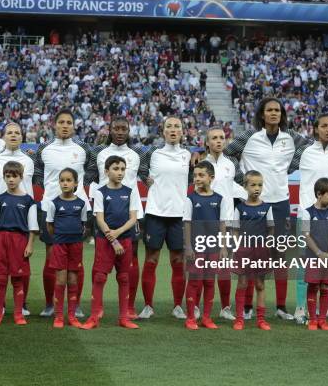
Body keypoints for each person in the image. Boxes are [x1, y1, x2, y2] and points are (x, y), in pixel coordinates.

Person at [223, 97, 312, 321]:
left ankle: (281, 307)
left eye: (277, 110)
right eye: (269, 110)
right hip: (252, 204)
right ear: (262, 114)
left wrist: (290, 167)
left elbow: (310, 147)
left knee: (279, 255)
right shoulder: (249, 136)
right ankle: (248, 307)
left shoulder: (291, 137)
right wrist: (243, 178)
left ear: (282, 114)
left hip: (280, 202)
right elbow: (227, 153)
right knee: (251, 255)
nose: (274, 113)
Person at [34, 109, 96, 318]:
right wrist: (50, 192)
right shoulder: (45, 149)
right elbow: (37, 174)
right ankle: (50, 304)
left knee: (75, 259)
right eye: (61, 122)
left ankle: (75, 305)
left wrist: (80, 189)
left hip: (78, 210)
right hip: (51, 209)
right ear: (54, 124)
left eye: (69, 122)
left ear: (74, 126)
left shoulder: (83, 149)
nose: (65, 125)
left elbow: (91, 171)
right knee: (51, 258)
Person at [294, 113, 328, 324]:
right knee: (305, 260)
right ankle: (301, 307)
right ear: (315, 129)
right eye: (324, 126)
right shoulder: (304, 152)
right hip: (307, 213)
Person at [90, 116, 144, 319]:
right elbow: (92, 179)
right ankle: (98, 307)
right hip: (107, 212)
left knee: (131, 260)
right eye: (117, 128)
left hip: (130, 213)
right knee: (100, 264)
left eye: (124, 128)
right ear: (110, 130)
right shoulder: (100, 154)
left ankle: (129, 307)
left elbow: (144, 177)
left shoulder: (135, 155)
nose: (120, 132)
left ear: (129, 131)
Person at [137, 116, 191, 320]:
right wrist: (145, 178)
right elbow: (139, 167)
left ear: (182, 131)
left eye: (177, 126)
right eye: (169, 126)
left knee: (178, 261)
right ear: (163, 131)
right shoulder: (153, 153)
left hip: (179, 214)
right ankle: (148, 306)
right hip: (155, 213)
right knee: (151, 259)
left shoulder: (188, 155)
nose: (173, 129)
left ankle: (178, 306)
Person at [81, 156, 140, 330]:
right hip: (105, 241)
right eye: (116, 168)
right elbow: (99, 219)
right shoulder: (100, 192)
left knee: (123, 277)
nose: (120, 172)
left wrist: (118, 234)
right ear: (106, 171)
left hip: (125, 239)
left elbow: (133, 219)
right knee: (99, 277)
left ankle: (123, 318)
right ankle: (93, 317)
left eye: (122, 169)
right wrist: (113, 240)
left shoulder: (131, 191)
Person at [0, 122, 35, 316]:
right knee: (1, 267)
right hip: (0, 216)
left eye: (17, 133)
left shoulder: (29, 160)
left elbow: (30, 189)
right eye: (10, 133)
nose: (13, 135)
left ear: (22, 137)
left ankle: (21, 304)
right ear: (3, 137)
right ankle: (0, 306)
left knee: (21, 265)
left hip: (22, 216)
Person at [183, 161, 231, 330]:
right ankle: (190, 318)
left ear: (211, 178)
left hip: (214, 247)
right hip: (197, 248)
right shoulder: (190, 199)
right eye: (195, 175)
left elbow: (223, 224)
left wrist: (223, 247)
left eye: (201, 175)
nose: (197, 178)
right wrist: (188, 246)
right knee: (195, 281)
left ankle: (206, 318)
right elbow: (187, 224)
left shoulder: (220, 199)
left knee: (210, 281)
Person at [203, 126, 245, 321]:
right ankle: (199, 307)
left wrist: (251, 196)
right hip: (205, 223)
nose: (219, 141)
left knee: (225, 267)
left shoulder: (230, 165)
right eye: (214, 138)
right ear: (207, 142)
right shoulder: (201, 165)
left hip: (227, 223)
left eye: (222, 138)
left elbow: (233, 189)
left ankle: (225, 307)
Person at [231, 170, 274, 331]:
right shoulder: (240, 208)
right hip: (244, 251)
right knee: (242, 283)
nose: (257, 188)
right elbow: (235, 230)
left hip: (261, 251)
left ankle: (261, 319)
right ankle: (240, 319)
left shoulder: (267, 207)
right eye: (253, 185)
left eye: (260, 185)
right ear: (245, 187)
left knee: (260, 284)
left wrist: (267, 246)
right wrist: (237, 246)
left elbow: (271, 229)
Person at [46, 168, 88, 329]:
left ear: (76, 183)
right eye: (62, 180)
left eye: (69, 180)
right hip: (60, 245)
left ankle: (71, 316)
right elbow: (50, 226)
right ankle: (58, 316)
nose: (65, 183)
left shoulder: (81, 204)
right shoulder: (54, 203)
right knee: (61, 280)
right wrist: (59, 238)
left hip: (76, 245)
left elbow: (83, 225)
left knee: (73, 280)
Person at [300, 178, 328, 331]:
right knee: (313, 286)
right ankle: (312, 320)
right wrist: (318, 253)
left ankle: (322, 320)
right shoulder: (307, 213)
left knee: (325, 287)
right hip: (313, 257)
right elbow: (306, 235)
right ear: (319, 194)